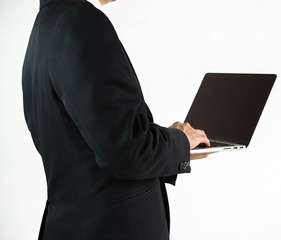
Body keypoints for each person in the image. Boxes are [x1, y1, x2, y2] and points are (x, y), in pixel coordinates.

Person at [22, 0, 211, 239]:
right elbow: (126, 150)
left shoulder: (45, 26)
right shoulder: (81, 23)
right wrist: (180, 142)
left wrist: (167, 139)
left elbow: (96, 142)